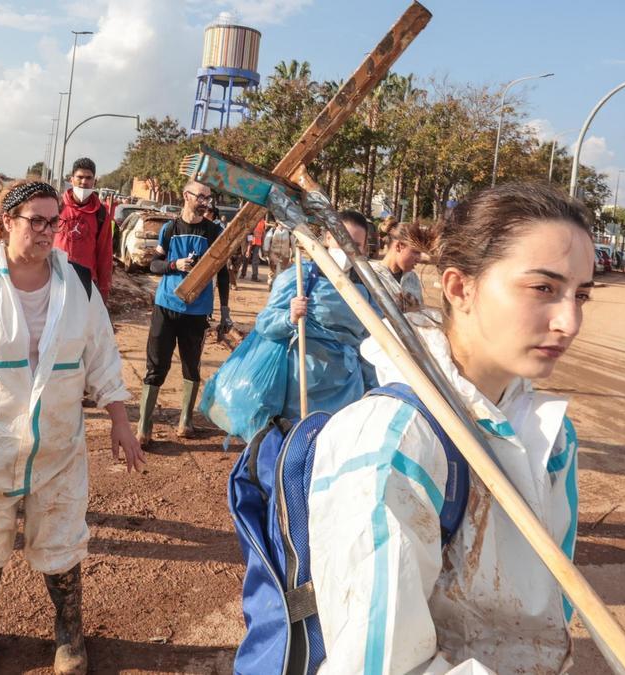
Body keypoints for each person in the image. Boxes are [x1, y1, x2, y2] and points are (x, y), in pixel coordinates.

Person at [309, 182, 594, 673]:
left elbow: (549, 608)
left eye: (581, 294)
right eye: (544, 288)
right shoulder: (395, 439)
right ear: (461, 288)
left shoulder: (550, 436)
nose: (570, 321)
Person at [0, 180, 144, 675]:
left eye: (52, 220)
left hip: (57, 441)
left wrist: (119, 417)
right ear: (5, 222)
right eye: (35, 220)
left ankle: (69, 633)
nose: (46, 230)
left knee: (60, 531)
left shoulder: (76, 283)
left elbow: (100, 353)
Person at [254, 210, 378, 420]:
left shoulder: (367, 289)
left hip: (348, 387)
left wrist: (373, 389)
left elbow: (373, 342)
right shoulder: (300, 277)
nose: (348, 249)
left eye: (356, 245)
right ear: (328, 237)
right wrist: (289, 317)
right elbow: (264, 323)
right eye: (342, 240)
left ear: (364, 248)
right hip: (302, 383)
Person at [137, 180, 232, 447]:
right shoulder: (169, 229)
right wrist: (174, 264)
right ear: (185, 196)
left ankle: (185, 422)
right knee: (156, 365)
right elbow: (153, 265)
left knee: (192, 366)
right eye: (200, 197)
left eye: (208, 198)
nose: (205, 202)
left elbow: (223, 273)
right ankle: (144, 427)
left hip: (197, 312)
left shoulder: (214, 232)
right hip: (166, 307)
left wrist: (225, 311)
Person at [54, 157, 114, 301]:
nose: (84, 182)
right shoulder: (57, 206)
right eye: (80, 177)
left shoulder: (101, 214)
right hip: (55, 279)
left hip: (85, 283)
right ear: (71, 179)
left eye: (88, 178)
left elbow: (104, 254)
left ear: (94, 181)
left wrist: (103, 290)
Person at [369, 219, 433, 315]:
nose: (419, 259)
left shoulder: (412, 278)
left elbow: (420, 314)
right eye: (416, 252)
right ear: (399, 246)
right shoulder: (371, 276)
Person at [240, 214, 268, 282]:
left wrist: (262, 243)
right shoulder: (252, 220)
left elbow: (263, 233)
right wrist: (249, 245)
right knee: (246, 257)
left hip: (258, 242)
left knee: (255, 260)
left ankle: (254, 276)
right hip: (250, 241)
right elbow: (249, 232)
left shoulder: (262, 221)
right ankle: (243, 274)